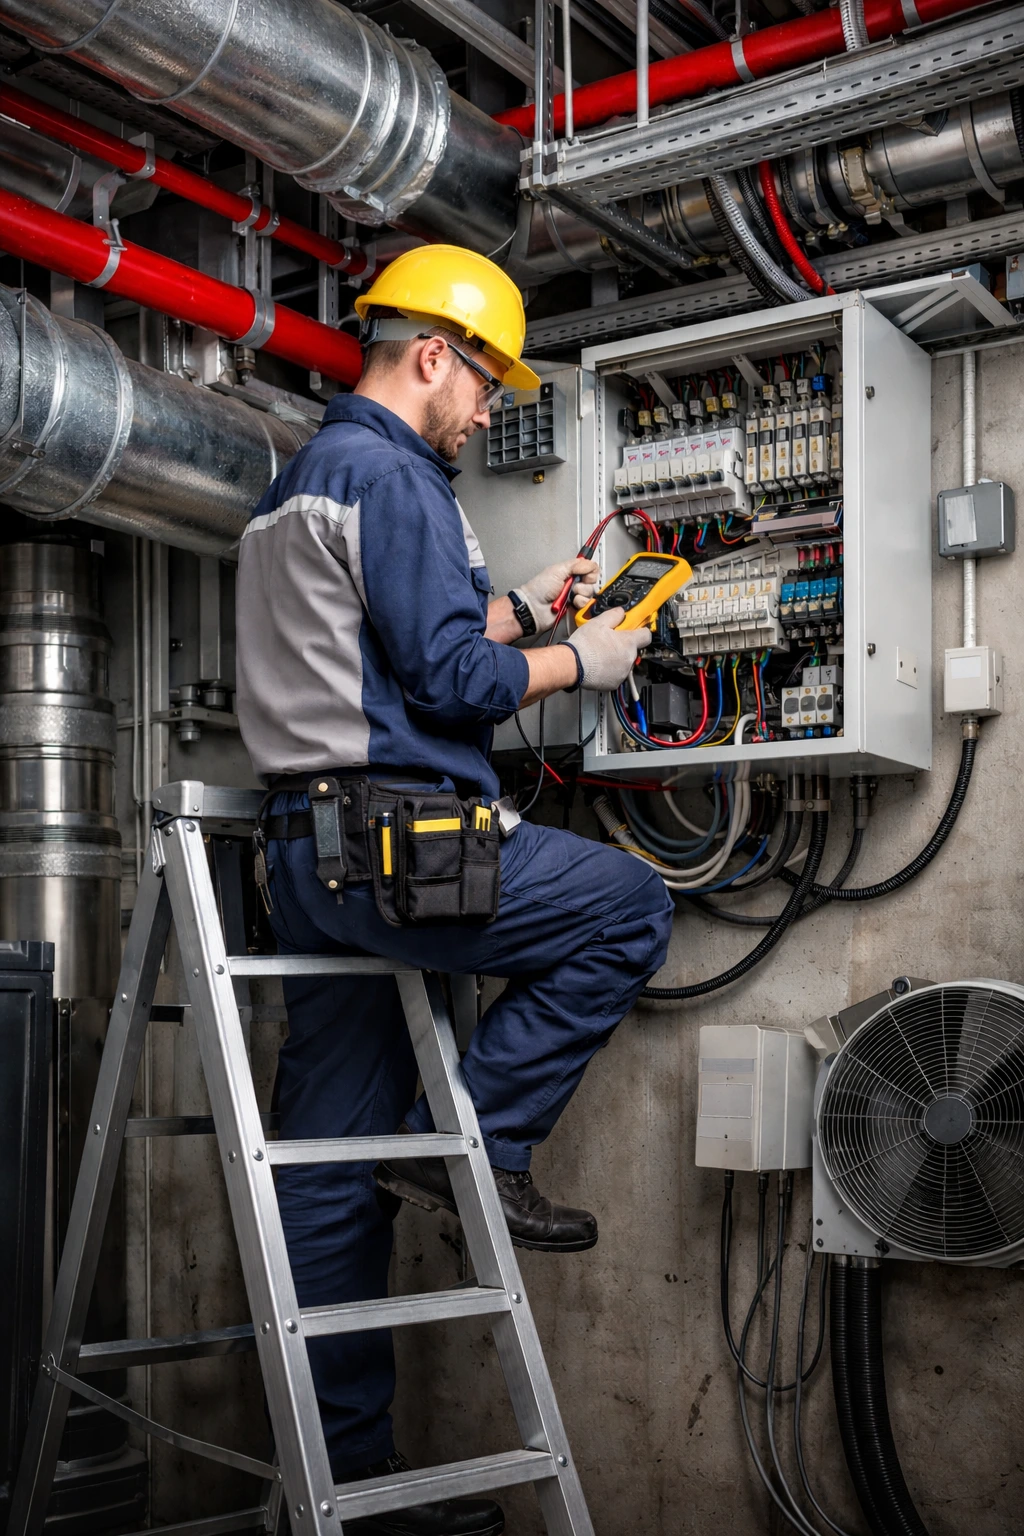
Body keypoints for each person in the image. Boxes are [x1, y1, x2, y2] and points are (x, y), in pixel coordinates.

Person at [235, 245, 673, 1536]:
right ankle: (478, 1136)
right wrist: (583, 661)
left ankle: (355, 1489)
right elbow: (450, 684)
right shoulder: (394, 473)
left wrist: (524, 609)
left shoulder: (303, 483)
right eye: (486, 385)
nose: (487, 414)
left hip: (305, 862)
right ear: (434, 354)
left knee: (332, 1170)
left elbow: (394, 643)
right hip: (405, 853)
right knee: (629, 907)